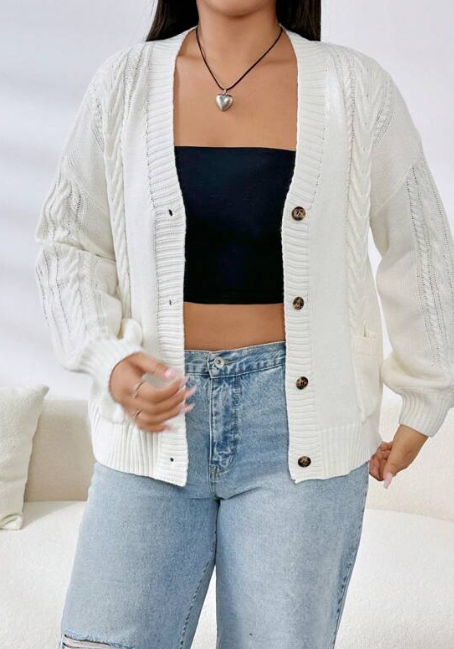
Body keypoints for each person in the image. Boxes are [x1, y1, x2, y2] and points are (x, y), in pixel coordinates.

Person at [34, 1, 454, 648]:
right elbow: (69, 240)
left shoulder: (354, 87)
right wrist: (106, 357)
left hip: (299, 434)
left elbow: (419, 245)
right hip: (152, 426)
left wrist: (426, 396)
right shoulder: (124, 83)